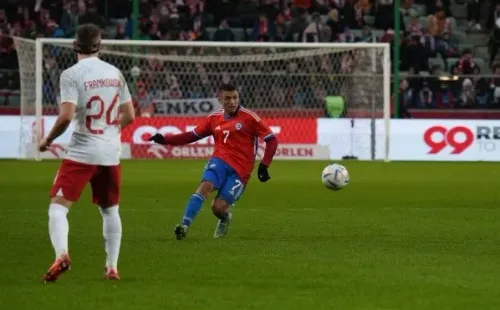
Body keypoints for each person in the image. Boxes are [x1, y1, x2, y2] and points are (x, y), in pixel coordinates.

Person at [38, 23, 136, 282]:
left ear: (74, 46)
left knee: (58, 209)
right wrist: (112, 132)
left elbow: (66, 115)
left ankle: (62, 255)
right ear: (100, 45)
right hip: (110, 153)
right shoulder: (115, 72)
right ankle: (112, 267)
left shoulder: (71, 74)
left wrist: (48, 139)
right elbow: (131, 115)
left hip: (82, 152)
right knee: (110, 210)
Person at [149, 83, 279, 239]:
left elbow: (272, 140)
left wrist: (264, 166)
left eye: (235, 97)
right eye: (228, 98)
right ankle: (184, 225)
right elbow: (191, 136)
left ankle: (225, 218)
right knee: (206, 186)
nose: (232, 102)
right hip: (220, 161)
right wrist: (165, 140)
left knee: (218, 208)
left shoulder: (250, 118)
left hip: (241, 171)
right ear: (220, 99)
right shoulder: (213, 119)